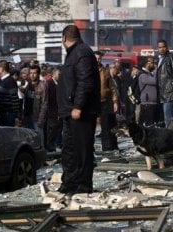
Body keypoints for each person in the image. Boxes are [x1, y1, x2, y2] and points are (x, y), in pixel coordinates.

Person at [57, 25, 101, 195]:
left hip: (80, 112)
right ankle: (69, 183)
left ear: (64, 38)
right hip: (70, 112)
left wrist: (78, 106)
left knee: (82, 151)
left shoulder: (81, 53)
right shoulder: (74, 53)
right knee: (69, 150)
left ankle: (83, 186)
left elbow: (85, 82)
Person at [95, 51, 119, 152]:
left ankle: (109, 147)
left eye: (99, 58)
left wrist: (115, 101)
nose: (98, 60)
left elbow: (112, 87)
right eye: (96, 58)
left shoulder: (105, 71)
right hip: (93, 101)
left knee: (108, 125)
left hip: (106, 101)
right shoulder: (88, 70)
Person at [156, 39, 173, 127]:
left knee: (168, 119)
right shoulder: (159, 59)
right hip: (162, 93)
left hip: (169, 92)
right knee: (167, 118)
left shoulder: (171, 57)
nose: (162, 49)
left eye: (163, 47)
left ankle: (171, 137)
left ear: (167, 47)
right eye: (160, 47)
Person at [0, 60, 21, 127]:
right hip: (3, 114)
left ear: (2, 69)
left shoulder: (10, 81)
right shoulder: (2, 80)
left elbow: (15, 100)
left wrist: (16, 117)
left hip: (8, 115)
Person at [138, 57, 161, 127]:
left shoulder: (149, 74)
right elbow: (154, 81)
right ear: (147, 64)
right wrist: (157, 69)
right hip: (147, 104)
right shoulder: (142, 75)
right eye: (152, 63)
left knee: (152, 124)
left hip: (152, 103)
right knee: (149, 124)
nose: (154, 64)